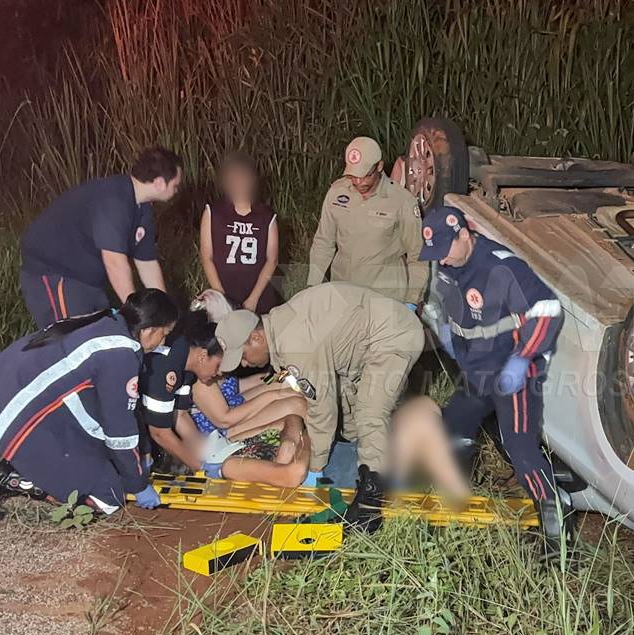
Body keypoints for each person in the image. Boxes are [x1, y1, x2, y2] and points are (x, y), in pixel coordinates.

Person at [417, 206, 571, 561]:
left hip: (511, 375)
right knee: (453, 429)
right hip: (476, 370)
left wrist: (523, 358)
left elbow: (547, 309)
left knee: (521, 452)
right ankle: (457, 497)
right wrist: (443, 327)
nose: (442, 260)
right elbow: (439, 302)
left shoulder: (500, 267)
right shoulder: (445, 264)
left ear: (464, 235)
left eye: (445, 250)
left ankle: (555, 522)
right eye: (435, 254)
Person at [214, 281, 425, 530]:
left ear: (256, 337)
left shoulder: (294, 345)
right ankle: (376, 469)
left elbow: (322, 410)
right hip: (361, 350)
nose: (245, 364)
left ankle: (371, 504)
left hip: (392, 337)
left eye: (243, 356)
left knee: (370, 412)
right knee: (351, 422)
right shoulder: (279, 326)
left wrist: (314, 469)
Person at [0, 289, 180, 520]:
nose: (163, 342)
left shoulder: (106, 319)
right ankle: (5, 478)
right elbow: (119, 430)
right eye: (164, 334)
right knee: (108, 496)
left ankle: (32, 463)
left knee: (95, 459)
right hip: (12, 414)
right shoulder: (120, 353)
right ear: (148, 329)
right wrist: (137, 483)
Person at [138, 310, 315, 488]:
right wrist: (201, 467)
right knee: (294, 418)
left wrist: (293, 442)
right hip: (208, 452)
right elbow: (160, 432)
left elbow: (181, 416)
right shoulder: (167, 371)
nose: (219, 373)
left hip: (213, 446)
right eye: (217, 366)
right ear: (203, 356)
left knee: (294, 418)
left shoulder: (184, 368)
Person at [19, 147, 183, 328]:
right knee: (73, 342)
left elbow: (147, 263)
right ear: (160, 183)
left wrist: (163, 313)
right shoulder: (114, 199)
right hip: (56, 274)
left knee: (99, 336)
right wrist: (139, 317)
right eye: (175, 185)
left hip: (89, 280)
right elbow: (114, 262)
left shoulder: (142, 208)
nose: (177, 191)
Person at [306, 137, 428, 306]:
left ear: (379, 166)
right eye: (352, 176)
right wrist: (312, 285)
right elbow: (323, 242)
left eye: (365, 175)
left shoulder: (402, 201)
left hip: (385, 298)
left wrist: (412, 300)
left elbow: (418, 254)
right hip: (343, 294)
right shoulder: (336, 192)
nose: (357, 182)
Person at [198, 152, 282, 314]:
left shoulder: (266, 216)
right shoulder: (213, 212)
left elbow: (272, 259)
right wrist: (221, 297)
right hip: (225, 291)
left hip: (258, 294)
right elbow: (206, 257)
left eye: (243, 177)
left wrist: (253, 299)